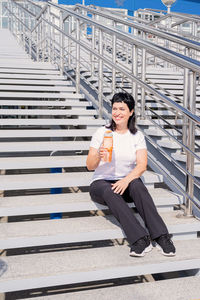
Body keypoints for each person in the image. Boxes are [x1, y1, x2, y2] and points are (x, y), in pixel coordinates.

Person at [86, 92, 176, 257]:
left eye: (122, 108)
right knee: (109, 190)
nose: (117, 112)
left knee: (138, 186)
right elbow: (90, 166)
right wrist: (99, 154)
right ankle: (140, 239)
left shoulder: (137, 136)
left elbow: (142, 165)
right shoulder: (101, 133)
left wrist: (126, 180)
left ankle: (162, 236)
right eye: (114, 108)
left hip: (126, 182)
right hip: (101, 183)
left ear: (131, 112)